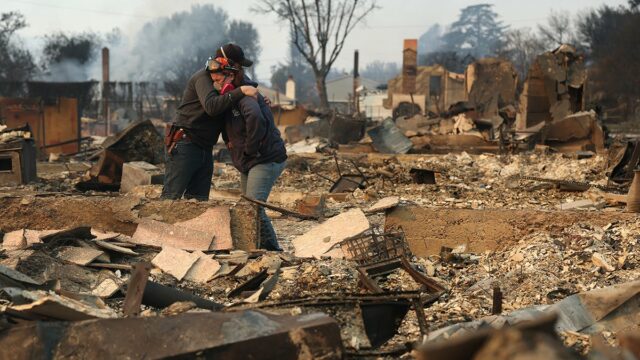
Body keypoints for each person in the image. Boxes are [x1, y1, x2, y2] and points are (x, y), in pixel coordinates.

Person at [209, 46, 287, 251]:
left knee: (253, 208)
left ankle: (273, 251)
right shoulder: (238, 94)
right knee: (248, 208)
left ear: (230, 74)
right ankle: (258, 249)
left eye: (218, 79)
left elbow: (255, 118)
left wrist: (250, 150)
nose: (214, 83)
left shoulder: (245, 96)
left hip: (265, 158)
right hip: (252, 160)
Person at [161, 44, 259, 201]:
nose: (241, 70)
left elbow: (247, 86)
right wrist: (241, 91)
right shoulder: (204, 78)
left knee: (198, 201)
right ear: (228, 64)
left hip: (205, 148)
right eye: (239, 66)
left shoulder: (230, 78)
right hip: (185, 144)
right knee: (171, 198)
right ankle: (157, 226)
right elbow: (212, 107)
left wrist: (258, 96)